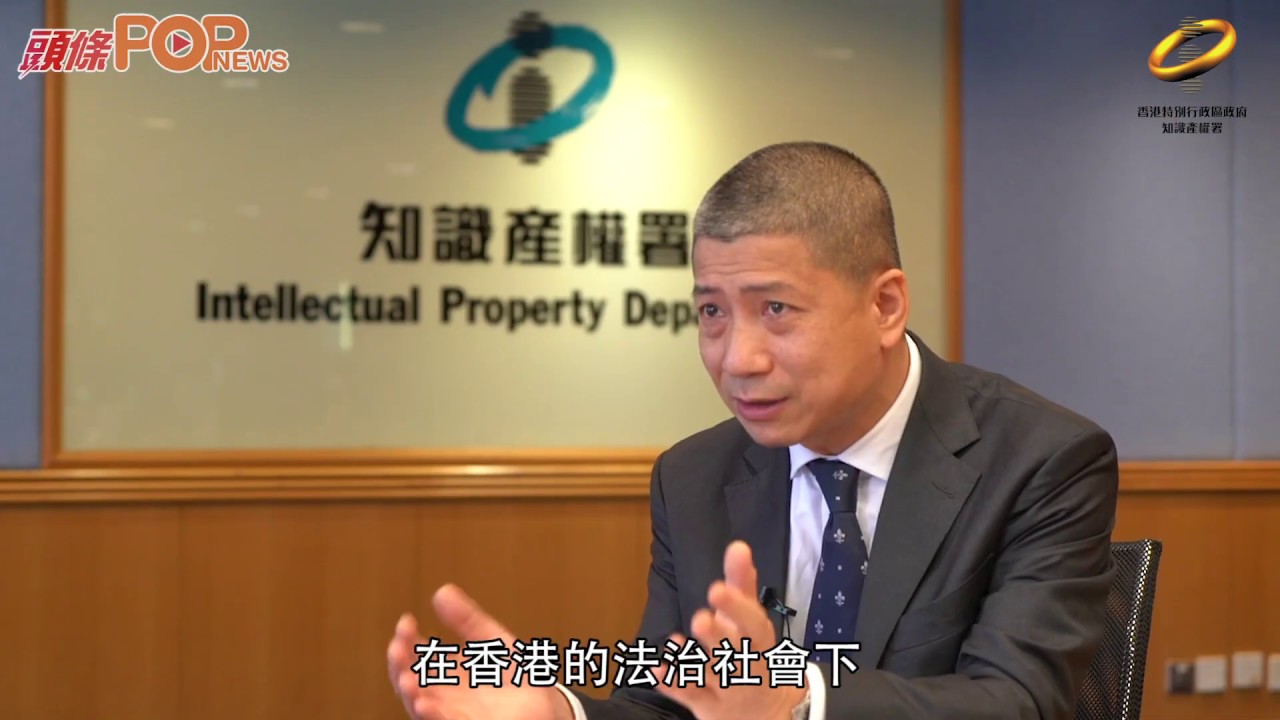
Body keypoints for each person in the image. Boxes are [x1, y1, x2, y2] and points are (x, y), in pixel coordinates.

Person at [386, 141, 1119, 720]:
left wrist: (796, 704)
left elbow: (1019, 701)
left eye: (776, 310)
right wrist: (558, 712)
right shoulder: (693, 478)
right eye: (712, 312)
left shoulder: (1039, 459)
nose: (738, 358)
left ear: (885, 306)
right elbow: (668, 704)